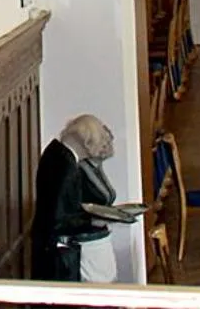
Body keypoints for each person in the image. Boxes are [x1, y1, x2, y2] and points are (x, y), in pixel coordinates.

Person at [30, 114, 142, 283]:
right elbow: (58, 220)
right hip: (56, 253)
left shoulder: (56, 153)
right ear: (86, 143)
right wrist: (93, 221)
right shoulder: (65, 166)